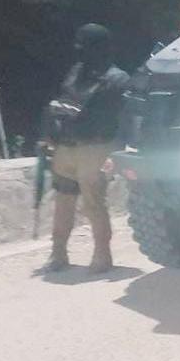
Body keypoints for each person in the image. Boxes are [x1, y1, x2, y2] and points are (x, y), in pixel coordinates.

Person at [39, 24, 130, 274]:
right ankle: (58, 253)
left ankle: (102, 255)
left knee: (94, 205)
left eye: (85, 45)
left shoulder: (118, 79)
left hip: (96, 148)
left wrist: (116, 153)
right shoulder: (76, 72)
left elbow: (125, 120)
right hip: (66, 147)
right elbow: (62, 104)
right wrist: (49, 136)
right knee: (63, 202)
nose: (79, 50)